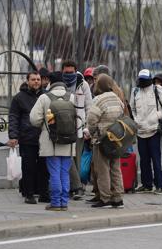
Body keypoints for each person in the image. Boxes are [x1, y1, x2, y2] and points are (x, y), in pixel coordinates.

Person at [30, 72, 76, 211]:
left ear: (50, 83)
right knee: (64, 172)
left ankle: (55, 203)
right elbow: (80, 117)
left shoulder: (44, 97)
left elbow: (34, 119)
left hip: (51, 141)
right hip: (68, 141)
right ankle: (64, 202)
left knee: (54, 172)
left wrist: (45, 124)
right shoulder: (72, 97)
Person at [86, 65, 128, 204]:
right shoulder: (117, 98)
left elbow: (92, 119)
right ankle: (118, 197)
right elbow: (122, 115)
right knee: (115, 168)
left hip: (102, 139)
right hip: (116, 138)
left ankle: (105, 197)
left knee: (102, 168)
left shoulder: (98, 99)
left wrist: (92, 133)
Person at [8, 71, 49, 204]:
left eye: (38, 79)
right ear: (27, 81)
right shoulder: (19, 97)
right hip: (27, 138)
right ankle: (29, 194)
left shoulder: (45, 96)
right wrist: (13, 136)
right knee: (28, 167)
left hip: (43, 138)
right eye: (33, 79)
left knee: (44, 168)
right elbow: (13, 117)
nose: (36, 82)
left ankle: (43, 193)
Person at [130, 69, 162, 195]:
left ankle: (159, 185)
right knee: (144, 159)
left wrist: (157, 116)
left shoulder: (157, 90)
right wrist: (136, 119)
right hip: (141, 130)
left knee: (156, 158)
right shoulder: (135, 91)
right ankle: (146, 185)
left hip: (154, 130)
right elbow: (132, 107)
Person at [61, 60, 93, 200]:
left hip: (79, 128)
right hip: (63, 127)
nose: (68, 75)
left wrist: (87, 128)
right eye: (66, 72)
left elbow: (89, 107)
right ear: (62, 71)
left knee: (77, 159)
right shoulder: (59, 84)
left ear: (76, 71)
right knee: (67, 157)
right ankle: (74, 186)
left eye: (71, 72)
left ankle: (77, 187)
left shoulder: (83, 84)